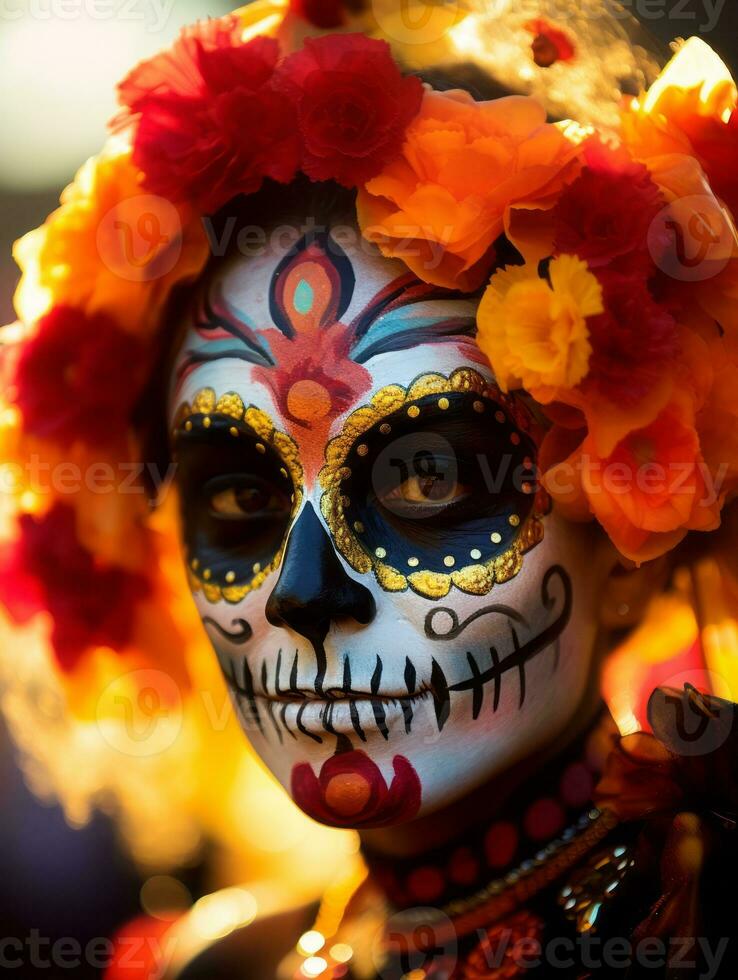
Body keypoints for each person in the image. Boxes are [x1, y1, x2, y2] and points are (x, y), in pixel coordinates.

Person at [1, 2, 737, 978]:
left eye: (426, 474)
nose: (305, 593)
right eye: (237, 498)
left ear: (628, 540)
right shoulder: (223, 966)